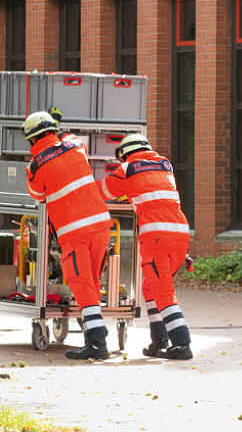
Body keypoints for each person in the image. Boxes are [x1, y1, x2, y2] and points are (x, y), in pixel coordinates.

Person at [21, 110, 116, 361]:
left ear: (31, 139)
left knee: (81, 282)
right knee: (92, 282)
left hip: (74, 232)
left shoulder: (35, 166)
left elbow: (37, 195)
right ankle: (95, 335)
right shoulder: (74, 145)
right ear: (54, 130)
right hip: (100, 225)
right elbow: (73, 142)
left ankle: (97, 343)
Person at [99, 133, 193, 360]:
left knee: (162, 290)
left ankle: (182, 343)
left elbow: (107, 192)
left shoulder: (127, 168)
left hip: (156, 236)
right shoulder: (165, 164)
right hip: (180, 233)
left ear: (125, 154)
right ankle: (159, 340)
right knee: (151, 287)